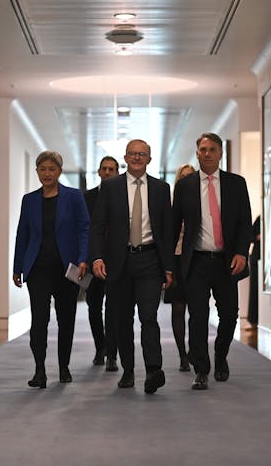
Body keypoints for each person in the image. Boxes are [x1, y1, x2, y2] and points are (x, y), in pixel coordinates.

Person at [90, 139, 174, 394]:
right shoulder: (111, 187)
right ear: (125, 158)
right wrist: (97, 257)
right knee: (122, 319)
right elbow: (97, 225)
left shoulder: (161, 188)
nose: (137, 158)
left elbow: (167, 231)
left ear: (150, 159)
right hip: (119, 262)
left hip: (149, 260)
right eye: (133, 154)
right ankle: (127, 370)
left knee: (149, 317)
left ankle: (153, 370)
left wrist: (168, 267)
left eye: (143, 154)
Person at [172, 132, 252, 390]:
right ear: (197, 154)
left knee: (229, 315)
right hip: (196, 261)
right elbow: (175, 225)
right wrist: (170, 264)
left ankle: (220, 355)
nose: (207, 153)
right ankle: (201, 370)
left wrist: (241, 252)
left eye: (212, 149)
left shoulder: (236, 184)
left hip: (226, 261)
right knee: (197, 316)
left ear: (220, 154)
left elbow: (244, 222)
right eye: (203, 149)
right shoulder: (185, 186)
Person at [13, 151, 90, 389]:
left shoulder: (74, 197)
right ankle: (39, 370)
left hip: (66, 268)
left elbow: (84, 229)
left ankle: (64, 367)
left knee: (66, 319)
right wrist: (17, 267)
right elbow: (22, 235)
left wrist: (83, 259)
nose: (47, 173)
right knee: (39, 320)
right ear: (37, 171)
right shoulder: (29, 200)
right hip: (38, 269)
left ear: (59, 171)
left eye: (52, 169)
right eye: (43, 169)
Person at [83, 155, 120, 370]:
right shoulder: (86, 198)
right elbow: (83, 230)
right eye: (104, 169)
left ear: (117, 172)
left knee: (113, 308)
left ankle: (112, 354)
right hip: (91, 261)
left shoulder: (121, 196)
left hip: (116, 261)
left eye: (111, 169)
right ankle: (100, 347)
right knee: (94, 307)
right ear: (98, 172)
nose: (107, 172)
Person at [164, 163, 196, 371]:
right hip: (175, 259)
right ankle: (182, 355)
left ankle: (194, 349)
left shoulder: (199, 203)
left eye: (189, 176)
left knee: (197, 308)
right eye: (182, 176)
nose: (185, 180)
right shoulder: (170, 204)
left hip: (194, 259)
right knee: (178, 308)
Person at [247, 215, 261, 328]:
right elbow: (249, 236)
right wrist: (258, 237)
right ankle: (253, 319)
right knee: (254, 290)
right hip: (256, 259)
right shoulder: (260, 219)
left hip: (264, 258)